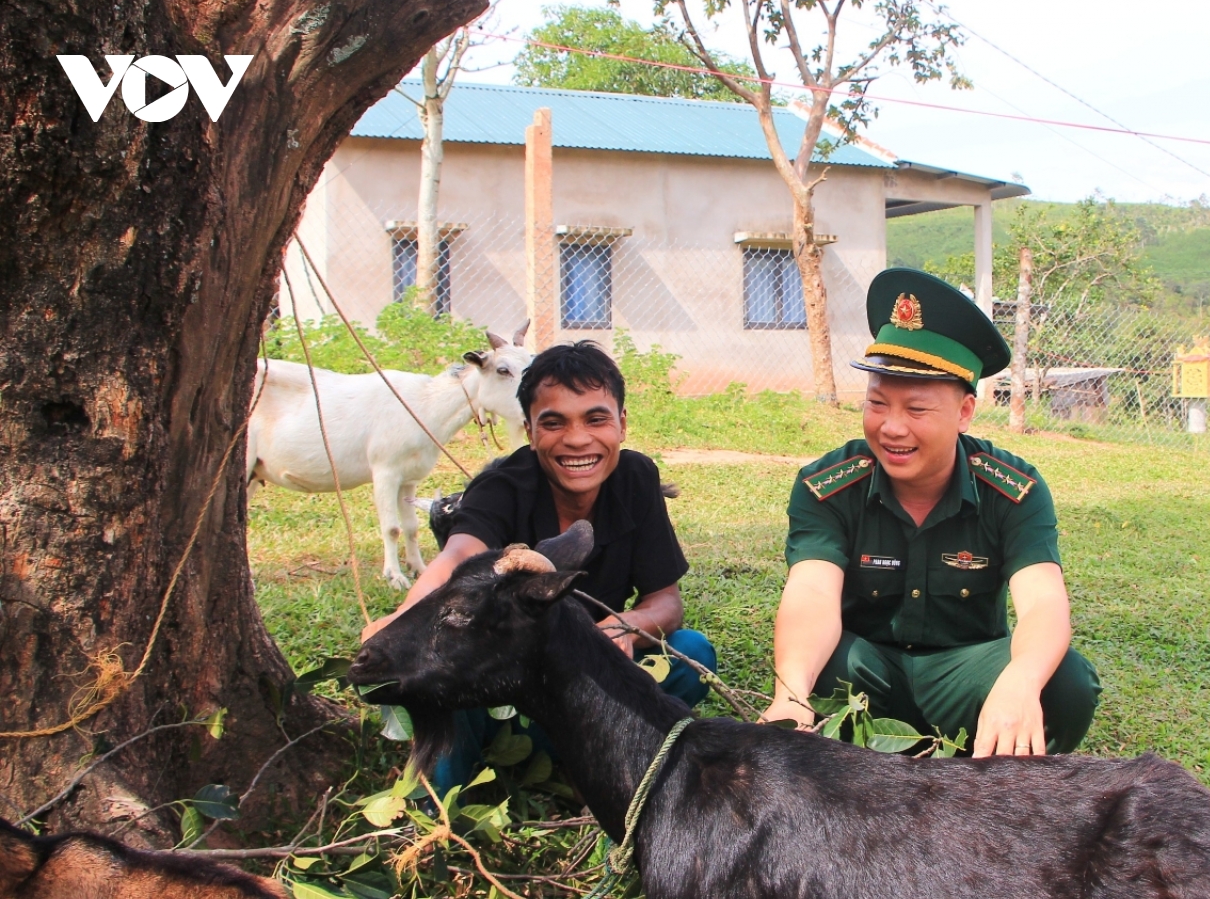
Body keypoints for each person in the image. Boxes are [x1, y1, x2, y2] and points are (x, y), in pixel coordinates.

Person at [760, 268, 1101, 758]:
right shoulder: (830, 484)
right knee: (820, 668)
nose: (892, 428)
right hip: (865, 674)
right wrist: (791, 694)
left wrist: (1021, 683)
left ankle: (1001, 789)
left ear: (964, 413)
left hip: (967, 678)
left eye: (917, 410)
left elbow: (1043, 600)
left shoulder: (1012, 488)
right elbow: (811, 590)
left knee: (1064, 682)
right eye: (877, 403)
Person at [360, 341, 717, 788]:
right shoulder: (501, 488)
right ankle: (443, 803)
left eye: (595, 418)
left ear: (622, 425)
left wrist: (625, 626)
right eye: (553, 423)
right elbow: (457, 556)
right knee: (445, 670)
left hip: (586, 674)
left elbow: (665, 602)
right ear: (529, 430)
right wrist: (399, 621)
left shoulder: (636, 481)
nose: (577, 439)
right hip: (506, 678)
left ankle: (584, 756)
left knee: (694, 655)